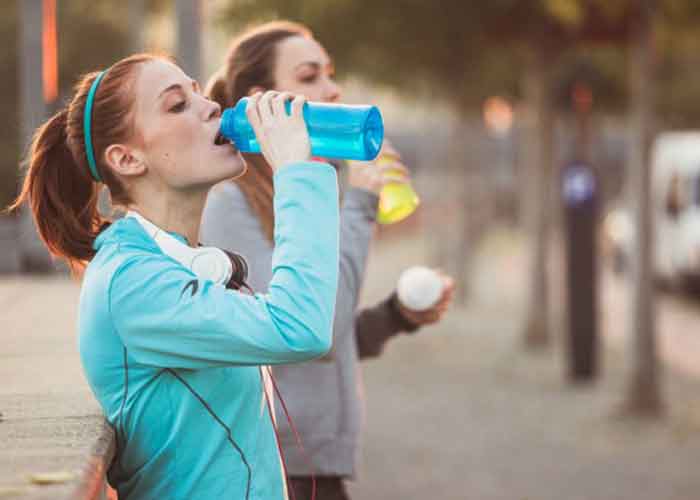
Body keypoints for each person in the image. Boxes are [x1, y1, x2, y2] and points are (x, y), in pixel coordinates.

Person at [8, 53, 342, 500]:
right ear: (126, 158)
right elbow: (299, 328)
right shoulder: (133, 282)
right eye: (177, 104)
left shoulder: (174, 262)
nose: (210, 107)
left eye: (198, 92)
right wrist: (298, 175)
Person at [202, 21, 455, 499]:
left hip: (315, 469)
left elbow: (330, 335)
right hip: (282, 472)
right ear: (264, 101)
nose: (333, 88)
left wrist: (397, 316)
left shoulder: (299, 193)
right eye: (309, 75)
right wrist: (360, 205)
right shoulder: (230, 201)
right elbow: (309, 334)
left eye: (330, 73)